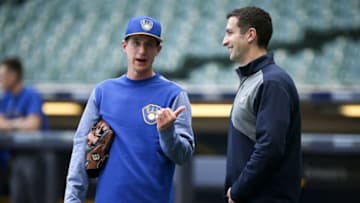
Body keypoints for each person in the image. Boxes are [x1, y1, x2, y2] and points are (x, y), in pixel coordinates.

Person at [64, 16, 195, 203]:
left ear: (158, 49)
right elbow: (80, 148)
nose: (142, 51)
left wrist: (167, 133)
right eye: (136, 43)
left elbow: (183, 156)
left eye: (149, 44)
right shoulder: (103, 92)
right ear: (124, 46)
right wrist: (72, 200)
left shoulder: (174, 95)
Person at [222, 7, 302, 203]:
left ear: (250, 35)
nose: (224, 41)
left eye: (230, 33)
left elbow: (270, 147)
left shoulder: (272, 82)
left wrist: (238, 191)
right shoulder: (254, 80)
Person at [0, 57, 48, 203]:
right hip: (15, 156)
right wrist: (19, 123)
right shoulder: (5, 98)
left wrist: (9, 125)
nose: (1, 80)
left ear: (14, 75)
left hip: (36, 155)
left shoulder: (31, 94)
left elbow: (33, 124)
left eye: (3, 76)